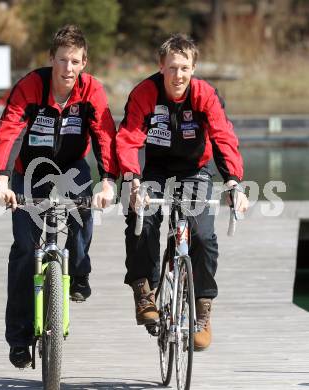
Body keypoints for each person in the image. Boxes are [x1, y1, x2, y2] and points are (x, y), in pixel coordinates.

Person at [0, 25, 118, 368]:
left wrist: (108, 181)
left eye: (75, 61)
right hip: (29, 171)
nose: (68, 68)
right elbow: (9, 130)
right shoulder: (31, 86)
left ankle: (78, 273)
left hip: (72, 168)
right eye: (62, 60)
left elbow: (106, 137)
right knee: (22, 251)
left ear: (84, 62)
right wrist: (2, 178)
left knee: (82, 211)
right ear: (51, 59)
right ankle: (18, 339)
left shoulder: (92, 91)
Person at [116, 33, 249, 351]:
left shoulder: (205, 94)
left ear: (193, 68)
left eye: (185, 68)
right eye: (173, 67)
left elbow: (222, 137)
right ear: (161, 66)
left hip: (194, 171)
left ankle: (202, 309)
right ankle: (144, 290)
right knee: (141, 218)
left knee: (203, 236)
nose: (178, 75)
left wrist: (233, 182)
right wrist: (132, 179)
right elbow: (129, 136)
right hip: (155, 170)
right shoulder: (145, 93)